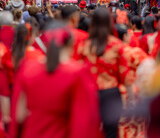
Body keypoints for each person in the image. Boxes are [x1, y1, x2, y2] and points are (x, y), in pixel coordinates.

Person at [10, 24, 100, 138]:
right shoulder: (77, 73)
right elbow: (84, 120)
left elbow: (19, 115)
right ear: (70, 44)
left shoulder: (27, 68)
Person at [77, 8, 132, 138]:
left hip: (88, 94)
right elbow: (125, 74)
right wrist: (131, 99)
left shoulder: (84, 45)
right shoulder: (117, 45)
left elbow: (78, 72)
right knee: (111, 132)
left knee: (90, 130)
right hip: (111, 94)